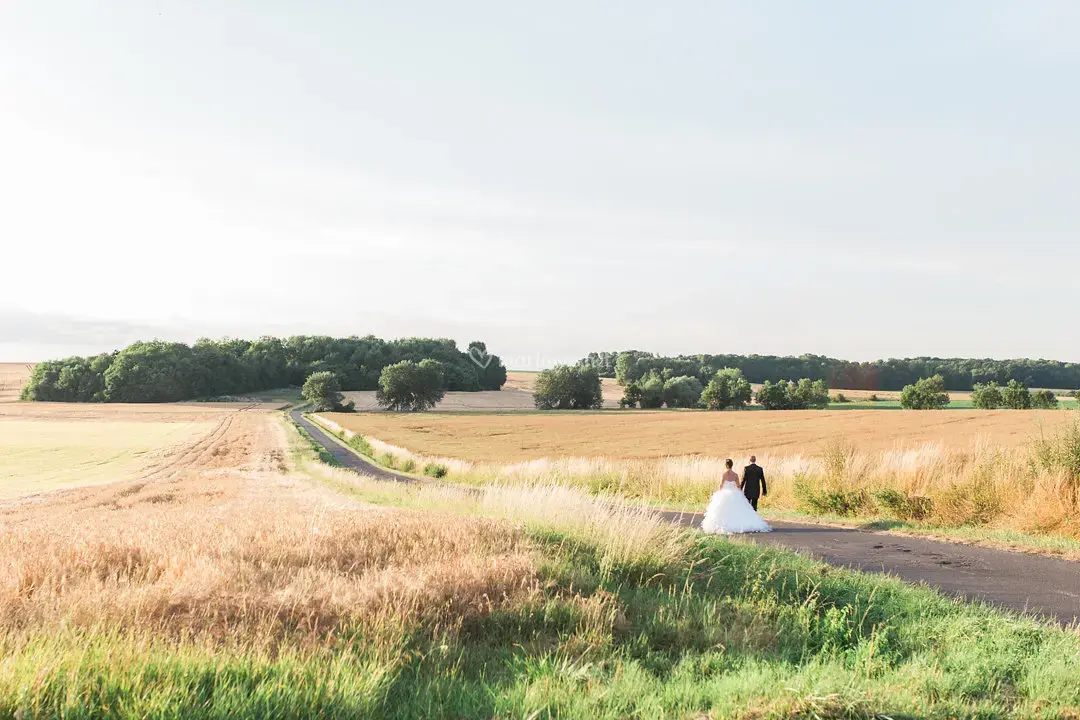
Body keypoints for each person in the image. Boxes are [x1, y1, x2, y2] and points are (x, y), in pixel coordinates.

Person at [701, 458, 771, 534]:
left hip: (724, 494)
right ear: (732, 465)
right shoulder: (735, 475)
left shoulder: (723, 474)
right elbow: (738, 485)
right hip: (734, 493)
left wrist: (720, 492)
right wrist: (738, 489)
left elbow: (721, 485)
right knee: (740, 509)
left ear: (726, 465)